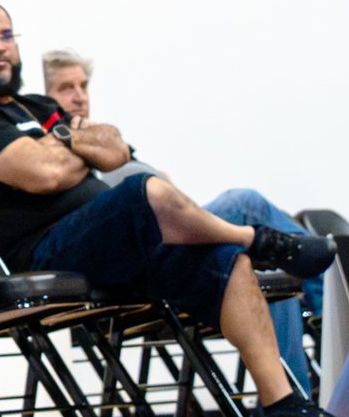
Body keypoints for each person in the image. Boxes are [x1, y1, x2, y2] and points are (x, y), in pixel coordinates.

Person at [0, 1, 349, 417]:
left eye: (6, 35)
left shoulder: (38, 105)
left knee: (228, 261)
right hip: (47, 250)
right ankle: (259, 239)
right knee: (144, 191)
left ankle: (280, 408)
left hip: (112, 242)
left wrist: (62, 139)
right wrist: (76, 143)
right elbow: (45, 175)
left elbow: (114, 148)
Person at [41, 48, 323, 394]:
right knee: (246, 205)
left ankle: (296, 398)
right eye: (65, 88)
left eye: (83, 86)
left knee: (276, 274)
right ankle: (331, 300)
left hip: (170, 233)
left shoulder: (103, 143)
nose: (79, 96)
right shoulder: (51, 151)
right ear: (44, 98)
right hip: (137, 252)